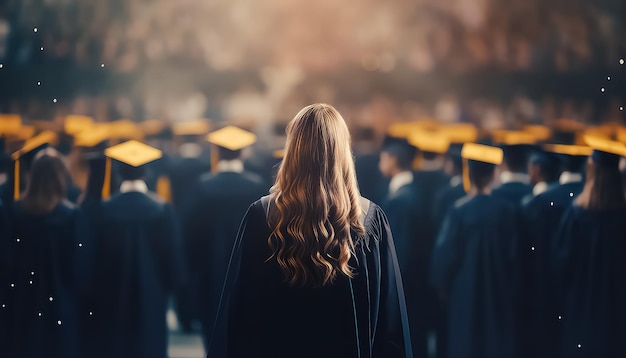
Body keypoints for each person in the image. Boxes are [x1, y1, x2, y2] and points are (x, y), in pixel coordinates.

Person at [208, 104, 412, 358]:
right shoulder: (368, 219)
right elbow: (388, 325)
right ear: (342, 151)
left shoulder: (262, 215)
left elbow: (238, 315)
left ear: (293, 149)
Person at [84, 140, 184, 358]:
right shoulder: (162, 209)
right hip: (152, 293)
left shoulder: (103, 210)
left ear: (118, 174)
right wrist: (172, 288)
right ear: (146, 173)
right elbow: (173, 258)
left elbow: (92, 258)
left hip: (111, 295)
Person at [430, 143, 518, 358]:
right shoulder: (508, 211)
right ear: (495, 172)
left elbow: (444, 261)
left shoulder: (459, 211)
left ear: (469, 172)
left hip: (464, 296)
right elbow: (516, 259)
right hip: (500, 295)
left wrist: (443, 291)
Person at [183, 126, 267, 346]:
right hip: (247, 265)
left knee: (213, 321)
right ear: (242, 153)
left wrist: (191, 265)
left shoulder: (203, 185)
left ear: (217, 153)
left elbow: (192, 230)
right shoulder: (256, 185)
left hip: (210, 266)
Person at [552, 138, 626, 358]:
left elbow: (560, 268)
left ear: (591, 170)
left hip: (580, 312)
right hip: (617, 316)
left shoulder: (576, 217)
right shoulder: (623, 219)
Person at [3, 148, 80, 358]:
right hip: (60, 300)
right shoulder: (71, 216)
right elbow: (76, 265)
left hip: (21, 300)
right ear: (60, 177)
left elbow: (7, 261)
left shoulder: (14, 212)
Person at [379, 140, 425, 358]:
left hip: (403, 283)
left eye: (383, 158)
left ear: (393, 160)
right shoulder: (414, 192)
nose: (381, 163)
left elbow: (399, 251)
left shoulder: (400, 200)